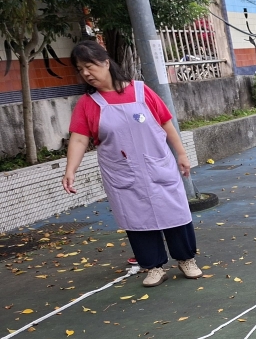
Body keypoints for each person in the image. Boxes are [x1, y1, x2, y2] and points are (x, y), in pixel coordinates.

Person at [62, 40, 201, 288]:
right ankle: (154, 267)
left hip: (157, 165)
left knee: (175, 212)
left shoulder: (140, 91)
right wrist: (70, 170)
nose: (86, 73)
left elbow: (166, 122)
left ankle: (186, 259)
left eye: (89, 66)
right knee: (137, 219)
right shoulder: (88, 103)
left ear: (106, 63)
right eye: (80, 69)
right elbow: (80, 138)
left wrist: (181, 154)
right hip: (122, 173)